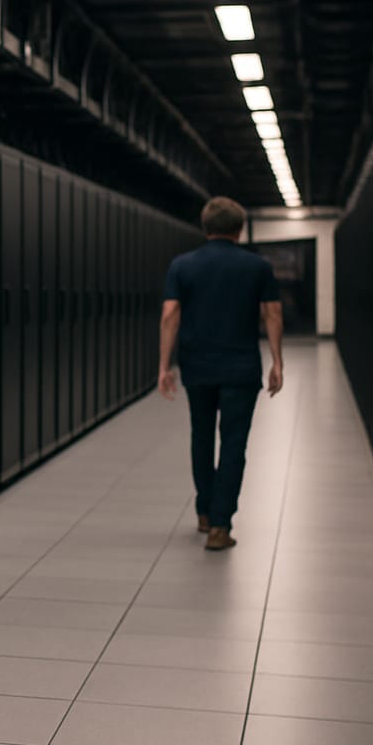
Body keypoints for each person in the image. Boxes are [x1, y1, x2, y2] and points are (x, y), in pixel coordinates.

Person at [157, 196, 284, 551]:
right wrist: (277, 361)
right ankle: (220, 525)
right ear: (239, 230)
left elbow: (170, 315)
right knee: (233, 443)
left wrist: (165, 366)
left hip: (198, 366)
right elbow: (272, 314)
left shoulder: (182, 265)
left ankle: (203, 511)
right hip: (241, 368)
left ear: (205, 226)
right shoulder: (258, 267)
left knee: (201, 436)